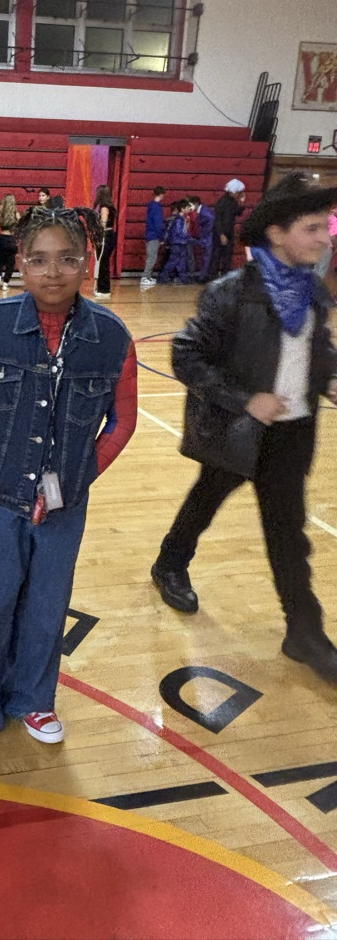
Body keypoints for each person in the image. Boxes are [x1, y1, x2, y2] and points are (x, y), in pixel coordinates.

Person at [0, 206, 137, 761]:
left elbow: (124, 421)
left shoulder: (113, 338)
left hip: (66, 506)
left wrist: (79, 477)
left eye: (68, 259)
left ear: (87, 264)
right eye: (39, 260)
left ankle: (34, 697)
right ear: (20, 263)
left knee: (48, 604)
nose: (54, 272)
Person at [151, 172, 337, 683]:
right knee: (207, 498)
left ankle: (304, 632)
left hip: (293, 432)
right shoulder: (230, 293)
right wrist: (245, 400)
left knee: (288, 533)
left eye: (326, 228)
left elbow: (315, 352)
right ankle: (170, 563)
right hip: (238, 429)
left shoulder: (313, 291)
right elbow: (187, 355)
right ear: (277, 233)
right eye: (313, 228)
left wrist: (331, 379)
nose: (325, 238)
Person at [206, 178, 246, 281]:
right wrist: (221, 234)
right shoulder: (222, 203)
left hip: (229, 232)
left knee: (227, 257)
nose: (239, 194)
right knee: (216, 256)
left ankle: (224, 278)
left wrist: (241, 203)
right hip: (221, 233)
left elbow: (238, 212)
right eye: (238, 192)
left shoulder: (233, 202)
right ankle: (212, 277)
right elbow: (218, 220)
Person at [158, 199, 194, 283]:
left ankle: (183, 278)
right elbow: (179, 232)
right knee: (173, 261)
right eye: (188, 207)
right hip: (178, 243)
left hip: (180, 243)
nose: (189, 209)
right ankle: (163, 276)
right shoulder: (179, 220)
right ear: (182, 209)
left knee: (181, 261)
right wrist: (189, 238)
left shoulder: (181, 219)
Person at [93, 184, 118, 299]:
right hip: (110, 235)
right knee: (104, 262)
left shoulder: (104, 207)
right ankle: (102, 288)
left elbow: (103, 224)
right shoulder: (110, 206)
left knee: (103, 262)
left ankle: (104, 289)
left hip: (105, 236)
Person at [0, 193, 20, 291]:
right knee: (10, 263)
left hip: (2, 238)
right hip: (12, 239)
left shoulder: (0, 213)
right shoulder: (16, 214)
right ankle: (5, 283)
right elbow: (20, 225)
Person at [141, 186, 165, 287]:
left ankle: (148, 276)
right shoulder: (157, 207)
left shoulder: (151, 206)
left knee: (152, 256)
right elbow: (158, 223)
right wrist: (162, 236)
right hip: (154, 235)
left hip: (150, 234)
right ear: (162, 194)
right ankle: (145, 277)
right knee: (152, 257)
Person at [189, 195, 216, 282]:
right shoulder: (203, 211)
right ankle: (203, 276)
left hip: (208, 237)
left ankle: (203, 277)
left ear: (196, 204)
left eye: (191, 204)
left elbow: (211, 220)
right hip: (207, 237)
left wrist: (205, 233)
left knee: (206, 258)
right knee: (205, 258)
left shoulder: (204, 212)